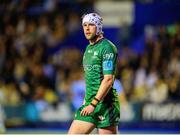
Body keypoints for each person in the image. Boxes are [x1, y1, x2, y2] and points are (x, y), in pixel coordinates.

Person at [68, 13, 120, 134]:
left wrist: (93, 104)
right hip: (89, 104)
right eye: (84, 25)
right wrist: (87, 101)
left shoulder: (107, 47)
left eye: (91, 25)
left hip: (105, 106)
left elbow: (108, 80)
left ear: (99, 27)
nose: (87, 28)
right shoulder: (88, 49)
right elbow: (91, 79)